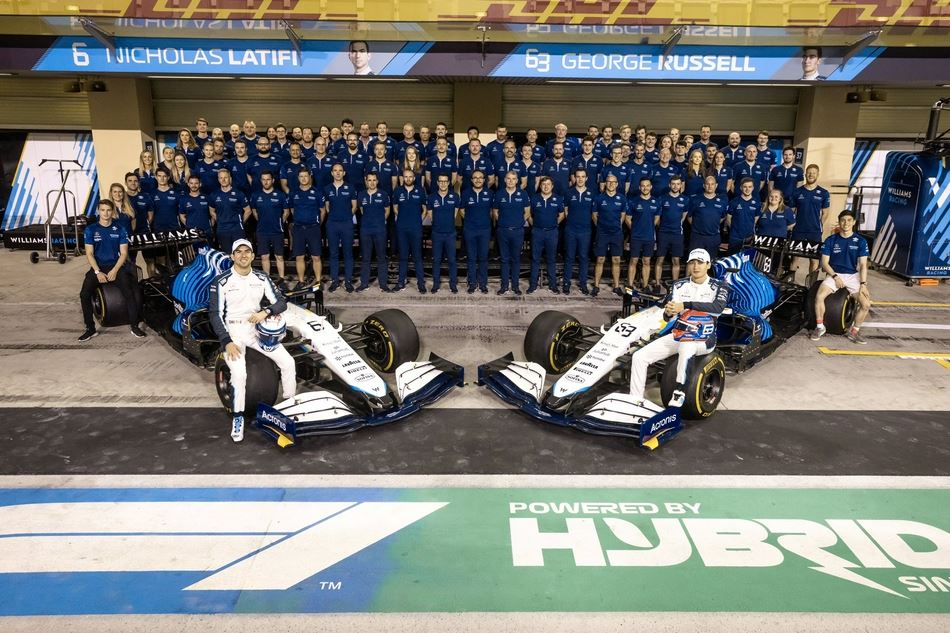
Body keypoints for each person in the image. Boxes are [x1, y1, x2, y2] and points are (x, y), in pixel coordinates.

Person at [209, 239, 296, 442]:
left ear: (253, 255)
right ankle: (238, 417)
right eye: (238, 252)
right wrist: (226, 341)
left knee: (288, 362)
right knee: (239, 374)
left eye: (247, 251)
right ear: (232, 256)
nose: (243, 255)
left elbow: (281, 303)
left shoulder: (261, 277)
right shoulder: (221, 281)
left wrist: (266, 312)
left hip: (257, 329)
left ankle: (289, 405)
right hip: (234, 332)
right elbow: (215, 314)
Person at [628, 248, 728, 407]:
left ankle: (679, 393)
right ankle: (634, 401)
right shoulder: (679, 285)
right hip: (679, 334)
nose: (696, 266)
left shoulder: (720, 286)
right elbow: (669, 316)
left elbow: (718, 308)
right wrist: (668, 313)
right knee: (639, 357)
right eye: (692, 262)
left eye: (700, 262)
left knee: (686, 347)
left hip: (704, 338)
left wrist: (685, 305)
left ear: (708, 265)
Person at [78, 199, 145, 341]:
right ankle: (90, 329)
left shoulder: (120, 228)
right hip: (98, 267)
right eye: (102, 210)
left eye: (108, 210)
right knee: (84, 294)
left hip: (116, 266)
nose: (106, 213)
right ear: (98, 211)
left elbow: (124, 254)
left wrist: (115, 270)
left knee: (130, 293)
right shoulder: (91, 229)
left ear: (112, 211)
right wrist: (97, 272)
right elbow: (89, 254)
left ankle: (134, 326)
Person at [810, 210, 871, 344]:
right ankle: (820, 327)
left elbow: (863, 265)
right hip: (834, 274)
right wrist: (835, 276)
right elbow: (824, 263)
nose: (846, 223)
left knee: (866, 304)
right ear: (839, 222)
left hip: (853, 276)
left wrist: (863, 284)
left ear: (854, 222)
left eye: (849, 220)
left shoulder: (861, 241)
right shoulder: (831, 240)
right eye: (843, 220)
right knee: (819, 297)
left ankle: (854, 331)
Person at [492, 170, 531, 295]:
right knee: (504, 259)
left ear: (517, 181)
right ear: (504, 180)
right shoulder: (499, 194)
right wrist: (503, 222)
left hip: (517, 231)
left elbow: (527, 212)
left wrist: (518, 223)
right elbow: (495, 212)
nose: (510, 181)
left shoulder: (523, 194)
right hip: (503, 231)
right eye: (508, 178)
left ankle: (515, 286)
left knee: (516, 259)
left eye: (513, 179)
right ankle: (504, 286)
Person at [790, 163, 831, 273]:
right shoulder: (797, 192)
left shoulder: (824, 193)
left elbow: (826, 213)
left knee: (814, 260)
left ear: (818, 175)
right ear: (805, 174)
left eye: (813, 173)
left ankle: (811, 283)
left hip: (814, 232)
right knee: (794, 258)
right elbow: (792, 211)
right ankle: (789, 281)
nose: (811, 175)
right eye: (809, 173)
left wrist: (819, 225)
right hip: (798, 230)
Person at [591, 173, 628, 297]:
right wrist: (601, 226)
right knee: (600, 259)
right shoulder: (599, 198)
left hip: (616, 233)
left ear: (617, 184)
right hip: (602, 233)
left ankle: (616, 287)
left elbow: (622, 216)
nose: (611, 184)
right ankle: (596, 286)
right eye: (609, 181)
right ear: (605, 183)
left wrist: (615, 227)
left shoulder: (622, 198)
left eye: (613, 182)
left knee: (616, 260)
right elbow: (594, 215)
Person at [250, 171, 290, 284]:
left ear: (273, 180)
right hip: (262, 231)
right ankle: (266, 280)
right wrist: (262, 221)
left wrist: (279, 222)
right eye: (263, 179)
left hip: (277, 231)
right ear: (261, 181)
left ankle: (281, 279)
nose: (266, 182)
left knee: (279, 257)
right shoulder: (256, 195)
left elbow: (286, 211)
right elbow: (254, 211)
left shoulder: (280, 195)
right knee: (264, 257)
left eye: (268, 179)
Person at [323, 163, 358, 292]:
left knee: (348, 253)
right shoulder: (327, 188)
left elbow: (354, 206)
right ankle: (335, 281)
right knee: (333, 253)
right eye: (335, 170)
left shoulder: (350, 188)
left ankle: (348, 281)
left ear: (344, 173)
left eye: (340, 170)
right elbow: (327, 207)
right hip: (332, 224)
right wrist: (334, 216)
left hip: (346, 224)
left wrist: (347, 216)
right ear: (332, 173)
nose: (338, 173)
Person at [527, 176, 564, 294]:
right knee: (535, 259)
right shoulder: (534, 198)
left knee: (551, 259)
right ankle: (533, 285)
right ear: (540, 186)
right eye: (543, 184)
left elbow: (562, 214)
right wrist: (535, 225)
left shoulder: (558, 199)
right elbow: (528, 214)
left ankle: (553, 285)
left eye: (548, 184)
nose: (546, 186)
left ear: (552, 186)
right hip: (537, 232)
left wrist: (554, 224)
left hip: (552, 232)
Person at [393, 167, 427, 293]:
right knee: (403, 256)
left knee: (417, 256)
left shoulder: (420, 190)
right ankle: (401, 282)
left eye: (410, 176)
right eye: (405, 176)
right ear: (403, 178)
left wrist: (418, 220)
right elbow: (395, 208)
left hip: (416, 228)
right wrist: (403, 219)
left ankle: (421, 284)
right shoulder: (398, 191)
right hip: (402, 228)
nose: (408, 179)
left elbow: (424, 210)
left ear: (414, 178)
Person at [290, 168, 325, 288]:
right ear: (298, 178)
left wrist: (317, 223)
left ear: (310, 177)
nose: (304, 179)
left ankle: (318, 281)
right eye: (301, 176)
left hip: (313, 228)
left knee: (316, 256)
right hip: (299, 228)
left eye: (306, 176)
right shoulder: (294, 193)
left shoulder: (317, 192)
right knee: (299, 256)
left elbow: (322, 210)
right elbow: (292, 209)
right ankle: (301, 281)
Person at [563, 168, 596, 294]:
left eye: (583, 176)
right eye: (578, 176)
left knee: (583, 257)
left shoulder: (592, 193)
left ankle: (583, 283)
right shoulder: (569, 193)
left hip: (585, 231)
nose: (580, 179)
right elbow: (566, 210)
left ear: (586, 178)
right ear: (574, 178)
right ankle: (566, 283)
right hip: (570, 230)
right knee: (569, 257)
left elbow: (594, 213)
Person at [459, 170, 493, 294]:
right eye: (475, 177)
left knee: (483, 258)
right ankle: (472, 283)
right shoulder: (465, 193)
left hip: (484, 230)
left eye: (480, 177)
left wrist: (483, 221)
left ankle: (483, 284)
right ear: (471, 180)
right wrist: (470, 221)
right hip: (470, 230)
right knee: (471, 258)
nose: (478, 180)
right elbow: (462, 211)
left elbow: (492, 211)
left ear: (484, 180)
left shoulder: (490, 193)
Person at [357, 172, 391, 292]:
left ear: (377, 181)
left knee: (381, 257)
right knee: (366, 258)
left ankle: (383, 284)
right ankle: (364, 284)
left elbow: (387, 211)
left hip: (379, 230)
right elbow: (362, 210)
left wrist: (379, 221)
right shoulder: (361, 195)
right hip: (366, 230)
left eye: (374, 180)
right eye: (369, 180)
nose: (372, 182)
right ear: (366, 181)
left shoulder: (383, 194)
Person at [427, 173, 461, 293]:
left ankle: (453, 285)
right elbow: (431, 216)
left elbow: (455, 214)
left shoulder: (455, 196)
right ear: (437, 183)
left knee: (452, 260)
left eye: (445, 181)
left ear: (448, 183)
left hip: (450, 234)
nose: (443, 184)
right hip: (437, 234)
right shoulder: (431, 197)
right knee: (436, 260)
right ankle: (436, 285)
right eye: (440, 181)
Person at [655, 174, 689, 288]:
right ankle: (657, 284)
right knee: (660, 259)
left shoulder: (685, 200)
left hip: (677, 234)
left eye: (678, 184)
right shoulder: (662, 198)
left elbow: (683, 216)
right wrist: (663, 226)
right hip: (663, 233)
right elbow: (657, 217)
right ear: (669, 185)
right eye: (673, 184)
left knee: (676, 260)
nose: (675, 186)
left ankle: (675, 284)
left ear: (681, 185)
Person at [626, 176, 660, 290]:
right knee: (633, 260)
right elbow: (627, 218)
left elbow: (656, 218)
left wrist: (648, 228)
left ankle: (645, 286)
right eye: (643, 186)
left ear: (651, 187)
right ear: (640, 187)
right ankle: (630, 286)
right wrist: (635, 229)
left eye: (647, 186)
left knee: (646, 261)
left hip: (649, 237)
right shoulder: (633, 201)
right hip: (636, 236)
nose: (645, 188)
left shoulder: (656, 202)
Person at [209, 168, 252, 252]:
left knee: (239, 253)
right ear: (218, 179)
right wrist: (219, 220)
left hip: (237, 229)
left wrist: (240, 222)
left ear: (230, 178)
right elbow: (211, 210)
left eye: (226, 177)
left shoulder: (239, 194)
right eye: (221, 178)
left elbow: (248, 210)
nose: (223, 180)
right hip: (222, 230)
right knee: (227, 254)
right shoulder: (214, 195)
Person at [687, 174, 726, 258]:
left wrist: (711, 225)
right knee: (694, 261)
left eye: (712, 184)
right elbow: (689, 217)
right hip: (697, 237)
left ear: (716, 185)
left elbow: (722, 217)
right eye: (707, 184)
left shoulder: (722, 201)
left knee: (711, 262)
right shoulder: (695, 200)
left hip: (713, 237)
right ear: (704, 185)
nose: (710, 186)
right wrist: (699, 227)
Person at [726, 177, 761, 252]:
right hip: (735, 238)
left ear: (753, 188)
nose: (747, 189)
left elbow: (755, 219)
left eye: (750, 187)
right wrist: (735, 230)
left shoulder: (757, 203)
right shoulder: (734, 202)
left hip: (749, 238)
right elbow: (728, 219)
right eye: (745, 187)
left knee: (747, 258)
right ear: (741, 188)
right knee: (733, 258)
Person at [149, 168, 181, 233]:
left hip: (174, 228)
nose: (162, 178)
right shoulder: (151, 195)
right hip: (157, 229)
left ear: (168, 177)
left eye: (164, 176)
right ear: (156, 177)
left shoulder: (176, 194)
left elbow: (181, 213)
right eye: (159, 176)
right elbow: (149, 214)